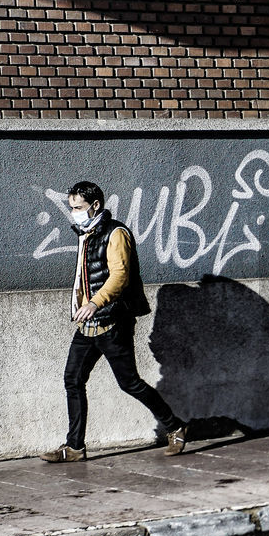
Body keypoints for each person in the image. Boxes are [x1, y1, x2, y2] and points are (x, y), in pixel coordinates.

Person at [40, 181, 187, 462]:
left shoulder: (115, 233)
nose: (74, 213)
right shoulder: (86, 233)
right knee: (73, 379)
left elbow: (119, 276)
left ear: (96, 206)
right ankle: (74, 448)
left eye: (79, 208)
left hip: (112, 321)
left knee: (129, 382)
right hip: (88, 323)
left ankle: (175, 426)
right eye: (71, 208)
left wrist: (96, 303)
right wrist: (82, 304)